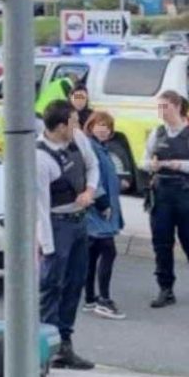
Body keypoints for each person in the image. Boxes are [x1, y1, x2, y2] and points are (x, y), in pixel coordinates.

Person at [36, 100, 100, 370]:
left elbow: (93, 166)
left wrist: (90, 190)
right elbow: (39, 206)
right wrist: (48, 247)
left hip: (78, 221)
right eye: (73, 122)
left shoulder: (78, 139)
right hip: (57, 223)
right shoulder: (39, 159)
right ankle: (43, 349)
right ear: (60, 126)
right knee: (52, 287)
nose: (77, 126)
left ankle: (65, 344)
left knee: (75, 283)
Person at [143, 90, 189, 308]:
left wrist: (180, 164)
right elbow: (143, 159)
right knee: (161, 242)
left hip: (187, 193)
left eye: (166, 107)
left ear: (178, 107)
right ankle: (166, 288)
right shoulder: (157, 132)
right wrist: (150, 165)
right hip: (162, 192)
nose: (162, 112)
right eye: (159, 107)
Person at [81, 111, 127, 320]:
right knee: (108, 251)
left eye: (108, 126)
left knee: (93, 254)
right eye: (100, 125)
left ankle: (90, 298)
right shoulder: (90, 147)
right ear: (90, 126)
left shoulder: (101, 148)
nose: (104, 129)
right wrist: (102, 203)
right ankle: (104, 300)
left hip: (101, 208)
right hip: (98, 209)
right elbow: (90, 177)